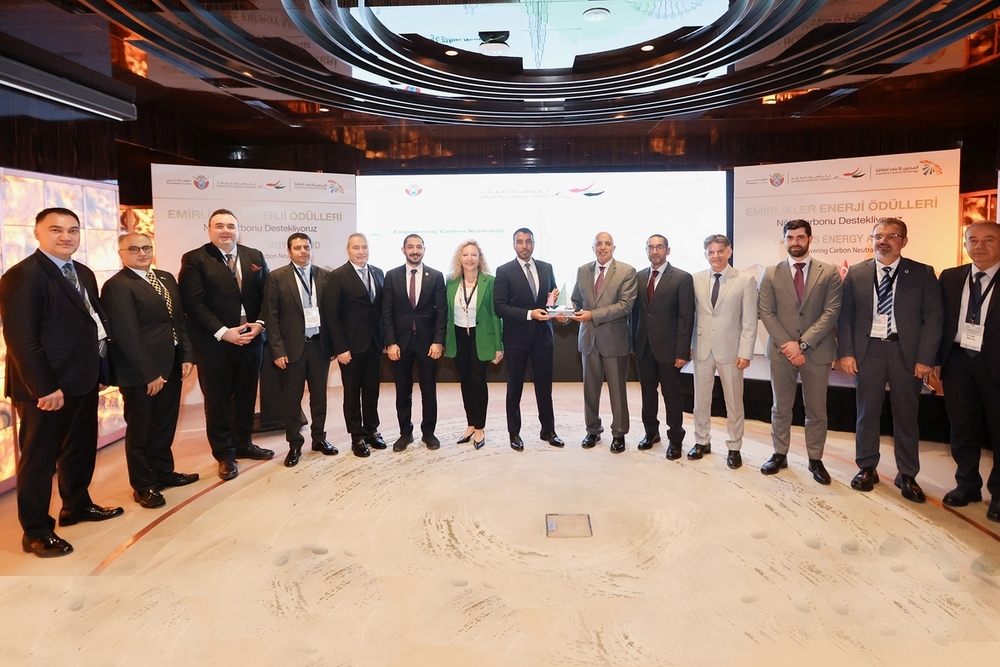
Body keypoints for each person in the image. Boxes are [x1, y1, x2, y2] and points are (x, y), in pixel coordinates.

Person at [0, 207, 123, 558]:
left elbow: (91, 323)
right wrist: (43, 387)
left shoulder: (82, 272)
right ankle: (36, 532)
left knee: (79, 447)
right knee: (40, 460)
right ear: (37, 233)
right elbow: (21, 339)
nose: (66, 236)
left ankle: (76, 505)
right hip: (45, 388)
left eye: (73, 230)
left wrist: (99, 371)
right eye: (56, 230)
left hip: (82, 379)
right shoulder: (22, 276)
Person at [837, 219, 942, 503]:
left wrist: (925, 358)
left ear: (904, 241)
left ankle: (907, 473)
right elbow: (845, 316)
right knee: (866, 413)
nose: (883, 241)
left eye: (892, 235)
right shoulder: (857, 272)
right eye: (878, 236)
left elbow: (933, 319)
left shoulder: (921, 273)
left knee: (906, 415)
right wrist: (846, 352)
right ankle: (867, 467)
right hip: (868, 351)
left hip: (905, 354)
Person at [101, 233, 199, 509]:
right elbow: (126, 334)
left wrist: (186, 355)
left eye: (146, 247)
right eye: (134, 249)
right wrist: (149, 374)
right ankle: (143, 486)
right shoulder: (117, 285)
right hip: (140, 374)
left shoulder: (165, 278)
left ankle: (163, 472)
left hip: (171, 364)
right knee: (141, 431)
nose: (142, 253)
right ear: (121, 253)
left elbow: (178, 321)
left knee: (165, 423)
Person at [178, 209, 272, 481]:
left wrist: (260, 323)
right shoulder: (195, 259)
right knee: (217, 401)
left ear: (238, 230)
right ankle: (224, 454)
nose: (225, 230)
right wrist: (223, 332)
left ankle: (243, 443)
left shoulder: (254, 256)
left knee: (246, 395)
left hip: (251, 339)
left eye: (231, 226)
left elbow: (267, 295)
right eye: (219, 226)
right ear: (208, 229)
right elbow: (193, 304)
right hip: (214, 343)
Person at [758, 219, 842, 483]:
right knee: (781, 407)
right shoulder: (770, 273)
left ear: (810, 239)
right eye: (790, 237)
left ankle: (815, 459)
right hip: (781, 352)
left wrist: (802, 344)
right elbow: (766, 313)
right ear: (784, 240)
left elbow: (831, 313)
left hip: (817, 352)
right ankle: (779, 454)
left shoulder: (829, 272)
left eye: (800, 237)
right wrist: (789, 345)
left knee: (816, 410)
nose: (795, 242)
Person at [935, 220, 1000, 522]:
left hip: (995, 362)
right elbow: (939, 322)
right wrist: (936, 360)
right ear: (965, 245)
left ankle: (999, 495)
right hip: (957, 361)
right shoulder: (950, 276)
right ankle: (967, 485)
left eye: (989, 240)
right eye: (973, 240)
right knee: (962, 428)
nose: (979, 246)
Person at [262, 233, 337, 467]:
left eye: (306, 247)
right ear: (289, 251)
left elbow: (331, 314)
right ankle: (295, 444)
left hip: (319, 347)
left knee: (319, 398)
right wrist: (277, 350)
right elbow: (271, 316)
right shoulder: (276, 277)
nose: (303, 251)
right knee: (292, 400)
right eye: (297, 248)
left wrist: (333, 345)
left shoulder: (324, 275)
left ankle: (319, 439)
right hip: (291, 349)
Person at [494, 228, 565, 451]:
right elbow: (500, 307)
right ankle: (514, 433)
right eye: (520, 242)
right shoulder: (504, 271)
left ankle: (548, 430)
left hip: (543, 337)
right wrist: (529, 314)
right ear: (514, 245)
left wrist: (555, 309)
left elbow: (550, 301)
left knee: (544, 387)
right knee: (514, 388)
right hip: (516, 339)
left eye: (528, 241)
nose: (524, 246)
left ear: (533, 243)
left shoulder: (546, 268)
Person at [690, 234, 758, 469]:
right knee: (701, 400)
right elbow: (692, 315)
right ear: (706, 254)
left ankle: (734, 446)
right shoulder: (696, 279)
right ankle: (701, 441)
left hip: (731, 351)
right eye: (711, 252)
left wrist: (745, 352)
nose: (715, 256)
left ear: (729, 252)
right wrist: (689, 345)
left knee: (734, 402)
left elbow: (749, 321)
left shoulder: (745, 280)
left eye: (720, 251)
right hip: (702, 349)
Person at [570, 232, 637, 452]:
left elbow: (625, 305)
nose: (603, 247)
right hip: (588, 339)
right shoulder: (582, 270)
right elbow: (576, 301)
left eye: (607, 243)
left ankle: (619, 433)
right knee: (590, 390)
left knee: (617, 391)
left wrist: (593, 315)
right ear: (593, 248)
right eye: (598, 244)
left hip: (615, 341)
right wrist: (567, 313)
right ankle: (592, 430)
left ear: (613, 248)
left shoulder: (627, 271)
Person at [321, 233, 386, 458]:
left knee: (372, 391)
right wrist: (340, 348)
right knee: (352, 394)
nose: (361, 251)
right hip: (350, 347)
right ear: (348, 250)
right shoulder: (337, 276)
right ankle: (356, 436)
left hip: (375, 345)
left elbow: (380, 311)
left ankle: (372, 430)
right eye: (356, 247)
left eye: (364, 247)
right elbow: (331, 315)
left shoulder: (378, 273)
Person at [382, 234, 448, 452]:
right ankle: (405, 433)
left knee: (429, 391)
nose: (415, 250)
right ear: (403, 250)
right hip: (400, 344)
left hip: (428, 344)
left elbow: (442, 312)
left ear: (424, 250)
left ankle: (428, 433)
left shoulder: (436, 276)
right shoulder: (391, 276)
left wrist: (438, 341)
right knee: (403, 391)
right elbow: (386, 312)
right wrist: (390, 342)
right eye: (410, 247)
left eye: (419, 247)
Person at [631, 234, 695, 458]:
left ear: (667, 250)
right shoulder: (638, 277)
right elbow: (636, 314)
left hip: (670, 350)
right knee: (647, 394)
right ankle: (651, 433)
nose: (654, 251)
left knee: (671, 396)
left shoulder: (682, 278)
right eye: (650, 247)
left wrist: (682, 351)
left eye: (659, 247)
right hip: (643, 348)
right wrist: (634, 343)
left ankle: (675, 438)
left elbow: (686, 318)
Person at [445, 241, 504, 450]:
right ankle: (470, 424)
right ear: (459, 258)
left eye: (474, 255)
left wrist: (499, 345)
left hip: (482, 337)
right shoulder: (451, 281)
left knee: (478, 382)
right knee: (465, 382)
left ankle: (480, 427)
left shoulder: (490, 281)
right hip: (458, 336)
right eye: (465, 255)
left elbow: (496, 315)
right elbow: (445, 312)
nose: (469, 258)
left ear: (480, 258)